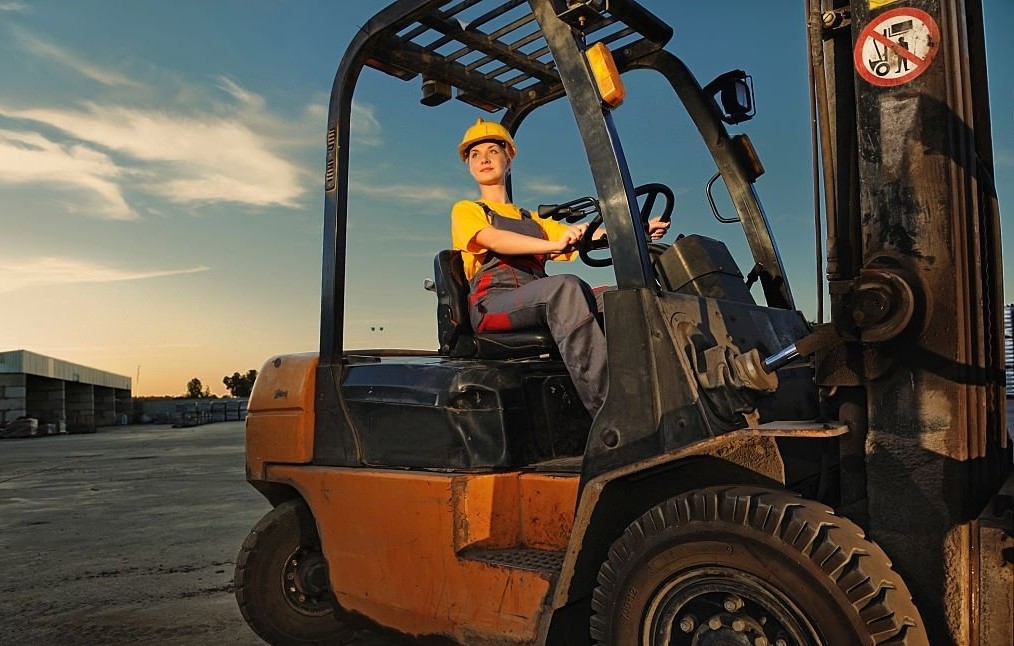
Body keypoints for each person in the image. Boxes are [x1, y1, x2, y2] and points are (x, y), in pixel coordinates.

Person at [450, 118, 668, 416]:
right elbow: (495, 239)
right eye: (475, 154)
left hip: (536, 297)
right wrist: (552, 245)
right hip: (493, 305)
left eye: (492, 150)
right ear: (469, 166)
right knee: (566, 288)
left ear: (508, 159)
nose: (484, 158)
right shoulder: (468, 210)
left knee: (626, 296)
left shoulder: (531, 219)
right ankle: (616, 414)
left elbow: (582, 234)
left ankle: (664, 398)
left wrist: (639, 230)